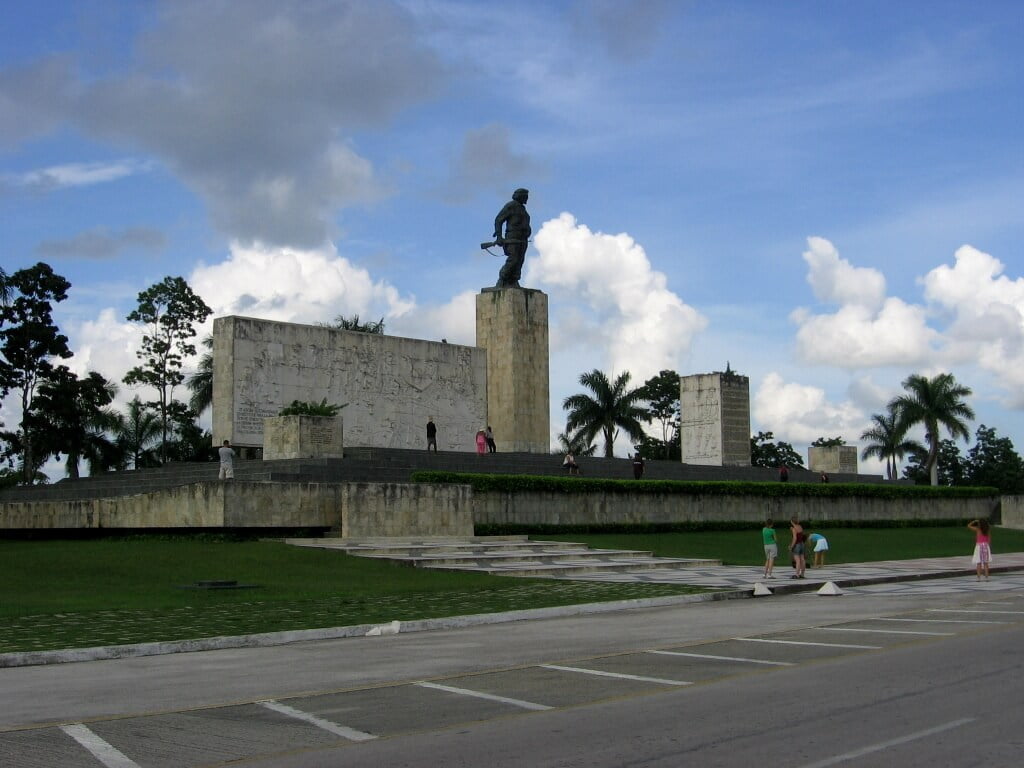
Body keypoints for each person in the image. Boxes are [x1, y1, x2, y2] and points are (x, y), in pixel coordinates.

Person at [492, 188, 531, 288]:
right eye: (525, 196)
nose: (527, 198)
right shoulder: (511, 206)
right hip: (512, 239)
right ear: (520, 196)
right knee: (513, 259)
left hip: (523, 240)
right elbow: (498, 220)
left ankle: (514, 280)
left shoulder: (523, 209)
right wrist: (499, 236)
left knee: (520, 261)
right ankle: (502, 279)